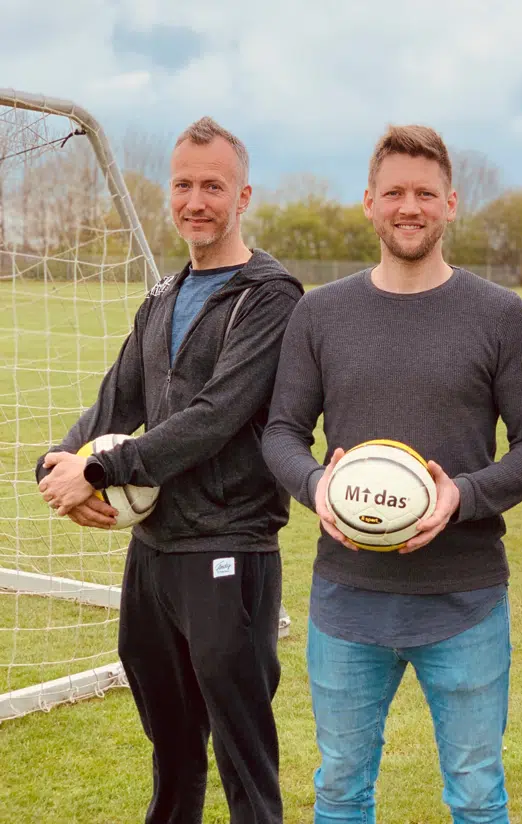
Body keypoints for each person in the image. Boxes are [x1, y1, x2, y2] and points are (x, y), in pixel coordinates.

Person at [262, 124, 522, 824]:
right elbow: (281, 433)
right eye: (393, 192)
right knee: (339, 790)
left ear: (451, 203)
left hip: (467, 601)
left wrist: (461, 497)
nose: (409, 207)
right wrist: (315, 486)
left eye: (425, 193)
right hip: (347, 600)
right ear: (368, 202)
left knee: (479, 794)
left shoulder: (500, 315)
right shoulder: (320, 313)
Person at [36, 117, 303, 824]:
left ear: (243, 195)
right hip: (152, 553)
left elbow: (216, 416)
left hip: (228, 545)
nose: (195, 200)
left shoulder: (269, 296)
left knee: (243, 751)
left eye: (212, 186)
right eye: (183, 185)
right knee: (172, 748)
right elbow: (114, 401)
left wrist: (99, 474)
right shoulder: (160, 296)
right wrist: (55, 464)